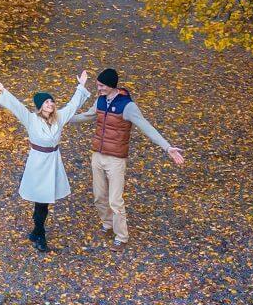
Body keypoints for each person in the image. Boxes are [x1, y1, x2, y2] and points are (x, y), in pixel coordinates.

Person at [68, 67, 184, 246]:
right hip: (97, 155)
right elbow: (86, 116)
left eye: (101, 86)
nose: (98, 89)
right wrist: (62, 119)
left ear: (112, 86)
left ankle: (121, 237)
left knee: (115, 200)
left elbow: (146, 127)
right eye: (97, 85)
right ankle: (107, 224)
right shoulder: (100, 101)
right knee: (99, 196)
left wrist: (167, 147)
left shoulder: (127, 106)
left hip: (115, 159)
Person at [0, 71, 90, 252]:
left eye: (51, 101)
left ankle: (36, 231)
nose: (50, 104)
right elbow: (17, 106)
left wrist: (81, 86)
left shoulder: (59, 118)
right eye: (46, 102)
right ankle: (40, 233)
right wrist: (4, 90)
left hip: (52, 162)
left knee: (43, 201)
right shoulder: (31, 119)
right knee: (41, 200)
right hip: (37, 163)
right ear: (40, 106)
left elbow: (73, 105)